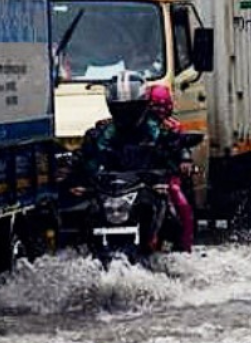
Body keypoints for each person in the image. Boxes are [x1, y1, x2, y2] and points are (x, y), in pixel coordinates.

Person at [77, 73, 186, 249]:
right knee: (83, 215)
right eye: (120, 108)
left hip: (147, 188)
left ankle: (180, 251)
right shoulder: (100, 133)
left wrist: (182, 161)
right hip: (110, 191)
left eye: (131, 108)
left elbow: (175, 149)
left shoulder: (159, 130)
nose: (126, 114)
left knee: (175, 217)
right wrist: (77, 173)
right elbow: (87, 158)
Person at [145, 84, 195, 252]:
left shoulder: (173, 126)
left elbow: (182, 145)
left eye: (163, 106)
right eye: (155, 106)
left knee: (182, 204)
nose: (159, 111)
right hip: (138, 175)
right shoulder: (134, 124)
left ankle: (185, 247)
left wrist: (185, 159)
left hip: (165, 176)